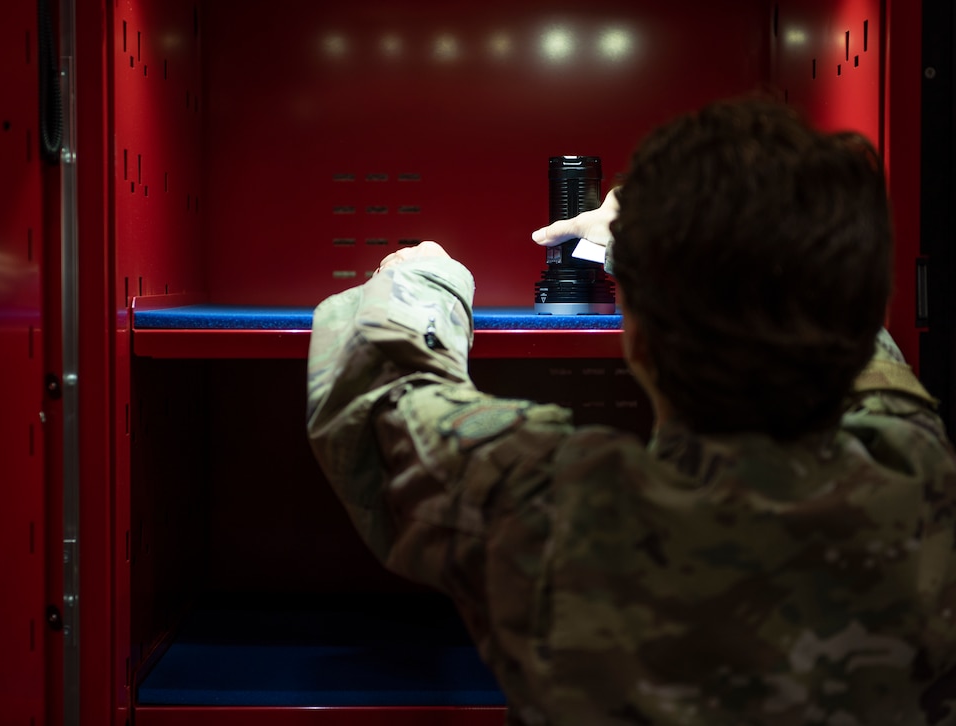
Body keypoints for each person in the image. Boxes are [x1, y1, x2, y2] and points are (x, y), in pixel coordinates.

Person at [305, 97, 956, 725]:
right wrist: (666, 244)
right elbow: (859, 345)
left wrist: (423, 275)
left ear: (636, 341)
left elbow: (389, 398)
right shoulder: (920, 473)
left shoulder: (553, 511)